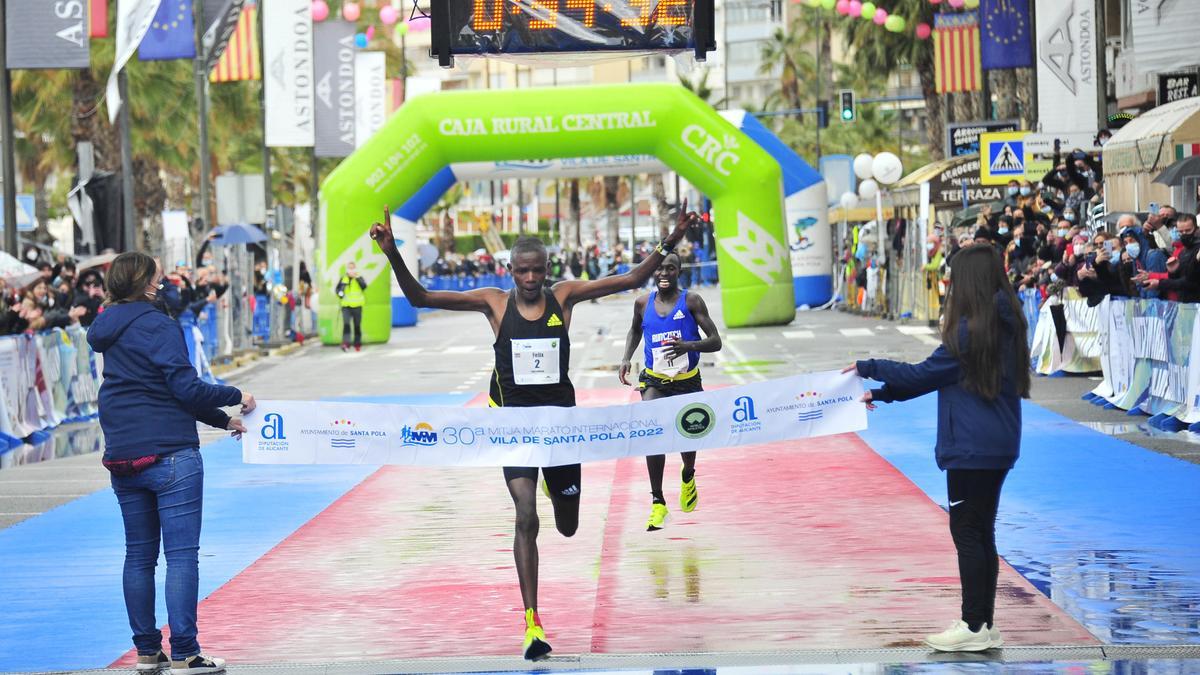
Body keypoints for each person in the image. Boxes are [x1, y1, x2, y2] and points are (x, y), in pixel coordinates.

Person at [370, 201, 693, 661]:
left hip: (560, 428)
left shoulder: (564, 296)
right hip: (515, 429)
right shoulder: (494, 303)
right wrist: (392, 254)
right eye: (522, 272)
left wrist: (669, 240)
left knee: (566, 524)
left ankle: (558, 497)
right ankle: (532, 624)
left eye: (537, 271)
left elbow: (628, 281)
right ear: (510, 270)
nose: (530, 279)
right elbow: (422, 298)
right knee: (526, 516)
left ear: (546, 269)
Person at [845, 244, 1029, 652]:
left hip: (971, 445)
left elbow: (923, 374)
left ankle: (972, 623)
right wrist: (884, 391)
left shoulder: (971, 331)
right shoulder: (1004, 321)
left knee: (967, 531)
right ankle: (983, 624)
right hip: (996, 442)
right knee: (982, 532)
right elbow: (938, 377)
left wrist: (869, 367)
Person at [87, 251, 255, 675]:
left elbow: (161, 390)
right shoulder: (159, 326)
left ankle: (147, 652)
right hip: (171, 456)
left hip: (123, 456)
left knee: (138, 557)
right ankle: (185, 652)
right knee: (181, 557)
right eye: (158, 279)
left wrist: (222, 420)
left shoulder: (105, 328)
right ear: (143, 283)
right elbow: (185, 387)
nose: (163, 285)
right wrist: (235, 395)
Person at [618, 252, 721, 531]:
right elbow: (634, 331)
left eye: (670, 269)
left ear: (679, 271)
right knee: (654, 434)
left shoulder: (691, 301)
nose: (664, 273)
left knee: (689, 435)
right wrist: (627, 356)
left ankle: (688, 474)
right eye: (660, 269)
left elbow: (715, 342)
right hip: (655, 381)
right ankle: (658, 502)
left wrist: (688, 346)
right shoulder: (642, 303)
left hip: (686, 380)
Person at [335, 262, 368, 352]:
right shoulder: (343, 279)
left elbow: (364, 286)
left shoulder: (359, 278)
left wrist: (356, 278)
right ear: (347, 270)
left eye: (353, 268)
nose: (351, 270)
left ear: (355, 269)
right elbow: (337, 289)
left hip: (357, 305)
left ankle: (357, 344)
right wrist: (340, 293)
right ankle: (346, 343)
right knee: (346, 324)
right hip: (346, 306)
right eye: (349, 269)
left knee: (357, 325)